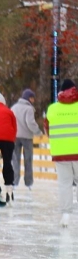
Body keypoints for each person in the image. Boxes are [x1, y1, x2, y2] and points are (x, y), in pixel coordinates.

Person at [44, 79, 78, 227]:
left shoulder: (52, 109)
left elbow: (47, 130)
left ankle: (65, 215)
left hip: (60, 153)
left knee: (64, 184)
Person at [11, 88, 42, 190]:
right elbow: (30, 123)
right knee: (28, 160)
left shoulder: (14, 107)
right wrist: (38, 132)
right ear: (29, 98)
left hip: (15, 136)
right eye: (33, 98)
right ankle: (28, 183)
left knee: (15, 159)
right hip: (27, 137)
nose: (33, 100)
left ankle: (14, 181)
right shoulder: (29, 109)